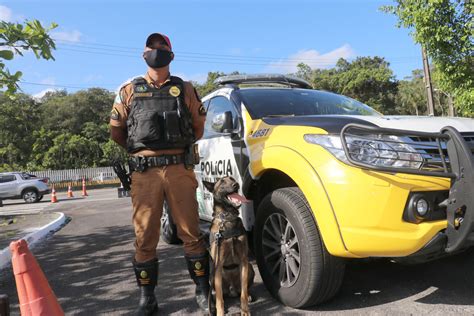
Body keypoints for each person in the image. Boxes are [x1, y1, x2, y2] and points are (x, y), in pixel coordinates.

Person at [109, 32, 208, 315]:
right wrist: (142, 151)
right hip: (144, 173)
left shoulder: (185, 88)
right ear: (144, 54)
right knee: (145, 237)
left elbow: (198, 127)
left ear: (171, 54)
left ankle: (202, 292)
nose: (156, 50)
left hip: (179, 168)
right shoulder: (129, 89)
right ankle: (147, 300)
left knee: (190, 233)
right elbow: (118, 131)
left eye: (161, 46)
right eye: (151, 47)